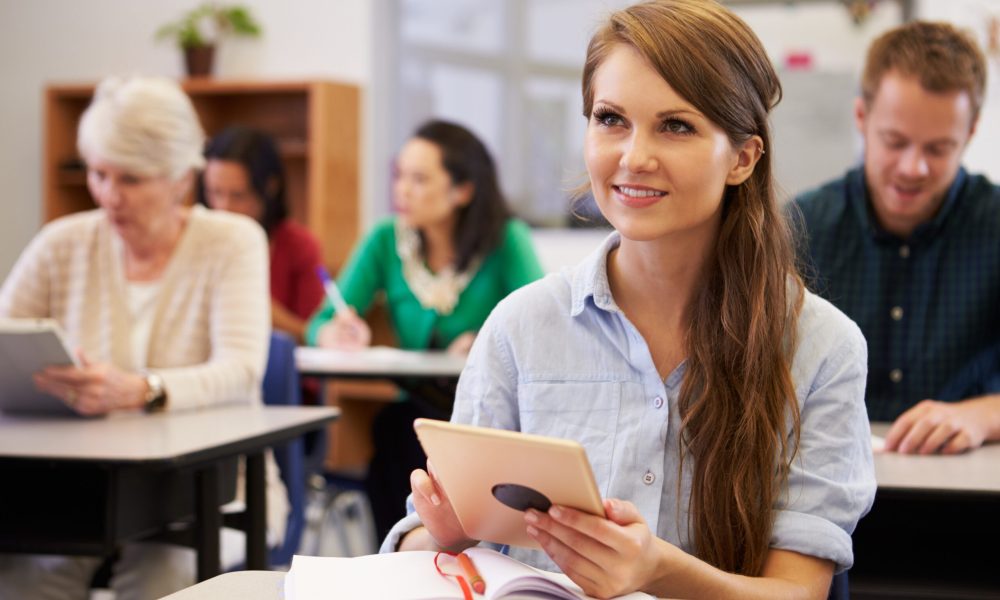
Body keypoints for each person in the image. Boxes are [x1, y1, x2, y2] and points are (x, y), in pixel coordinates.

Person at [383, 1, 876, 598]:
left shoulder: (821, 346)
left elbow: (797, 592)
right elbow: (416, 544)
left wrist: (659, 569)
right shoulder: (523, 325)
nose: (633, 157)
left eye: (676, 126)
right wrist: (443, 535)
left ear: (743, 159)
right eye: (610, 119)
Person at [0, 76, 287, 600]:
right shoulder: (62, 243)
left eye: (130, 178)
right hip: (80, 487)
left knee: (162, 580)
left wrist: (142, 389)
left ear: (180, 177)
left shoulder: (232, 242)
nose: (110, 195)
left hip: (208, 491)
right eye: (99, 173)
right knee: (27, 575)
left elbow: (242, 368)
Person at [306, 119, 545, 541]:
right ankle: (398, 556)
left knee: (408, 435)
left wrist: (489, 339)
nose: (402, 190)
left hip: (489, 420)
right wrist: (337, 333)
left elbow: (542, 328)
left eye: (419, 179)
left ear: (463, 190)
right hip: (414, 414)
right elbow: (321, 323)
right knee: (395, 432)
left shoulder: (507, 240)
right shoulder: (386, 239)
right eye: (399, 176)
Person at [791, 21, 1000, 455]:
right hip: (824, 484)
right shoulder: (800, 227)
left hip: (971, 491)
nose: (913, 168)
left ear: (970, 133)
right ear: (862, 119)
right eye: (895, 141)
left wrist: (982, 415)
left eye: (938, 149)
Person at [200, 125, 325, 344]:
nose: (224, 208)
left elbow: (314, 334)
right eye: (215, 192)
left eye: (238, 195)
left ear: (270, 187)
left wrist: (253, 305)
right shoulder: (194, 239)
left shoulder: (299, 245)